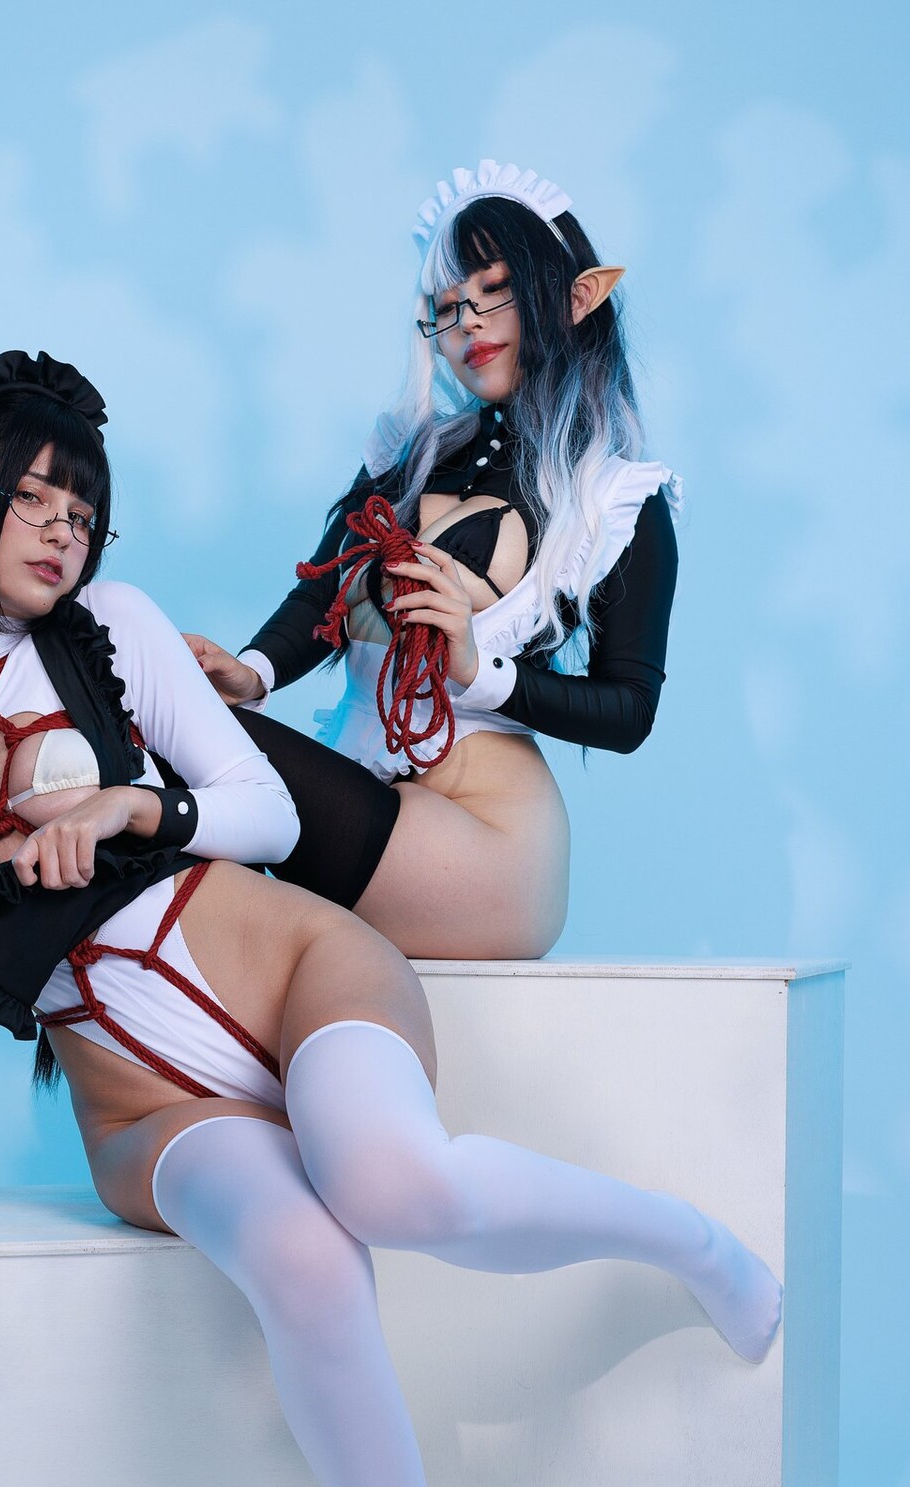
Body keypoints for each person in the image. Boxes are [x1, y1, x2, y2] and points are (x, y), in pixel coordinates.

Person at [0, 352, 781, 1487]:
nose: (64, 531)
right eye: (34, 498)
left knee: (394, 1186)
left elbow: (267, 812)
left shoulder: (117, 633)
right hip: (142, 1102)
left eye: (85, 510)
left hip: (283, 966)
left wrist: (132, 804)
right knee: (308, 1265)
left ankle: (691, 1243)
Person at [186, 159, 680, 960]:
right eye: (448, 307)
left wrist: (475, 667)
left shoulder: (617, 498)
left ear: (573, 297)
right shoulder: (408, 457)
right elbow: (321, 596)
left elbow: (629, 710)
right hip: (370, 806)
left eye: (496, 290)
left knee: (177, 734)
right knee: (173, 726)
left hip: (489, 848)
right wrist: (252, 673)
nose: (468, 324)